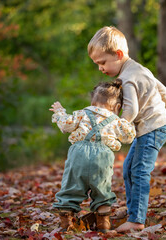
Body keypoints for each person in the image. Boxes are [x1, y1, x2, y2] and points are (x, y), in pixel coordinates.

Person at [88, 26, 166, 232]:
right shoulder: (139, 69)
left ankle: (136, 221)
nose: (100, 68)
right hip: (155, 126)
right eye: (97, 64)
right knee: (129, 168)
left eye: (102, 62)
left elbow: (131, 110)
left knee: (138, 171)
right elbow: (163, 91)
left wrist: (112, 128)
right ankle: (133, 211)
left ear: (118, 55)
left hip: (151, 128)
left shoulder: (128, 79)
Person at [50, 80, 136, 233]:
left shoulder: (81, 113)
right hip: (103, 156)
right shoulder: (116, 121)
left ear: (93, 101)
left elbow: (66, 125)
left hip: (78, 153)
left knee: (71, 185)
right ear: (117, 107)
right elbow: (128, 137)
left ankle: (65, 223)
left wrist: (60, 112)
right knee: (102, 188)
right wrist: (128, 120)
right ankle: (103, 224)